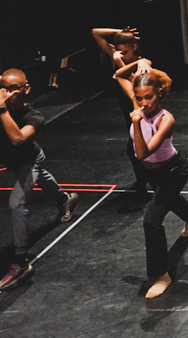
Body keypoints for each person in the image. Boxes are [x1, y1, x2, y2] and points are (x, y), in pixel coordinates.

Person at [0, 69, 79, 291]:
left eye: (14, 89)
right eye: (4, 88)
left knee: (16, 203)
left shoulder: (34, 116)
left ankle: (21, 263)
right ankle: (64, 198)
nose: (8, 93)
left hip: (28, 160)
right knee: (43, 178)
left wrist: (1, 108)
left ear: (27, 89)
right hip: (9, 160)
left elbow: (17, 139)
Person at [128, 69, 188, 299]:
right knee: (169, 199)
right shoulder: (139, 105)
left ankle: (161, 276)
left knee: (152, 220)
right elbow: (119, 76)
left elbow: (142, 152)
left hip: (174, 170)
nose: (143, 102)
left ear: (159, 94)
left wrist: (137, 123)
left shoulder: (166, 120)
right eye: (139, 97)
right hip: (154, 174)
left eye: (149, 96)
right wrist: (135, 64)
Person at [92, 26, 150, 194]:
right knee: (133, 148)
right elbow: (96, 33)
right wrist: (121, 32)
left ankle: (146, 183)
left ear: (134, 47)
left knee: (137, 147)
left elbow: (133, 86)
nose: (121, 54)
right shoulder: (115, 56)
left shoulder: (142, 63)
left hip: (140, 110)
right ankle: (142, 181)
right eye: (119, 51)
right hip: (126, 110)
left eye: (125, 51)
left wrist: (121, 62)